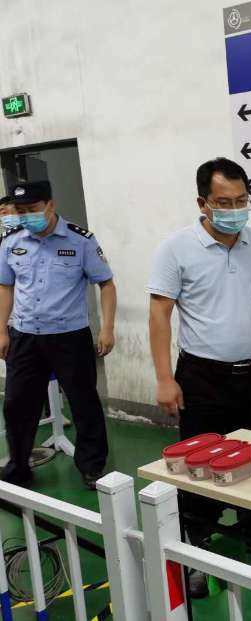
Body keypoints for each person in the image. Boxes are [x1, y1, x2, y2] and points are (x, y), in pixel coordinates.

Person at [147, 157, 251, 597]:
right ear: (203, 203)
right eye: (224, 202)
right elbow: (159, 314)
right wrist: (164, 378)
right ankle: (198, 542)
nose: (234, 209)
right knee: (199, 463)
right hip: (201, 377)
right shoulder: (176, 248)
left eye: (242, 200)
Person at [0, 181, 116, 490]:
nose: (25, 216)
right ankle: (18, 467)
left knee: (83, 403)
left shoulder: (81, 241)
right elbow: (5, 286)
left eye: (32, 209)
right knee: (16, 405)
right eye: (20, 211)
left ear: (50, 205)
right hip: (24, 336)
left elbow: (106, 284)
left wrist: (107, 328)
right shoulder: (11, 241)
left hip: (69, 337)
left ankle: (92, 466)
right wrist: (1, 331)